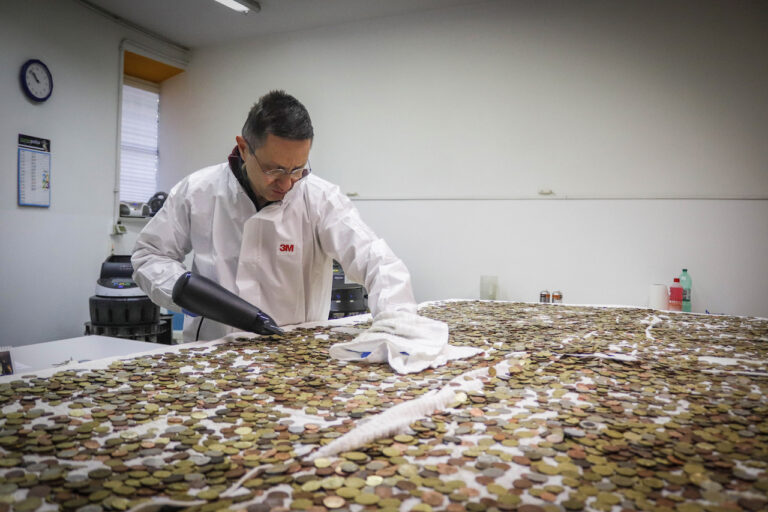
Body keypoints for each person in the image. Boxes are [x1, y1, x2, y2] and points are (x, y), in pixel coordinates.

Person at [132, 91, 416, 341]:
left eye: (298, 169)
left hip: (295, 357)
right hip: (212, 353)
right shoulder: (197, 191)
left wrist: (397, 325)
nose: (287, 183)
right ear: (244, 149)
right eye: (274, 170)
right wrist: (184, 292)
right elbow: (150, 254)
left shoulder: (320, 198)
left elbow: (374, 258)